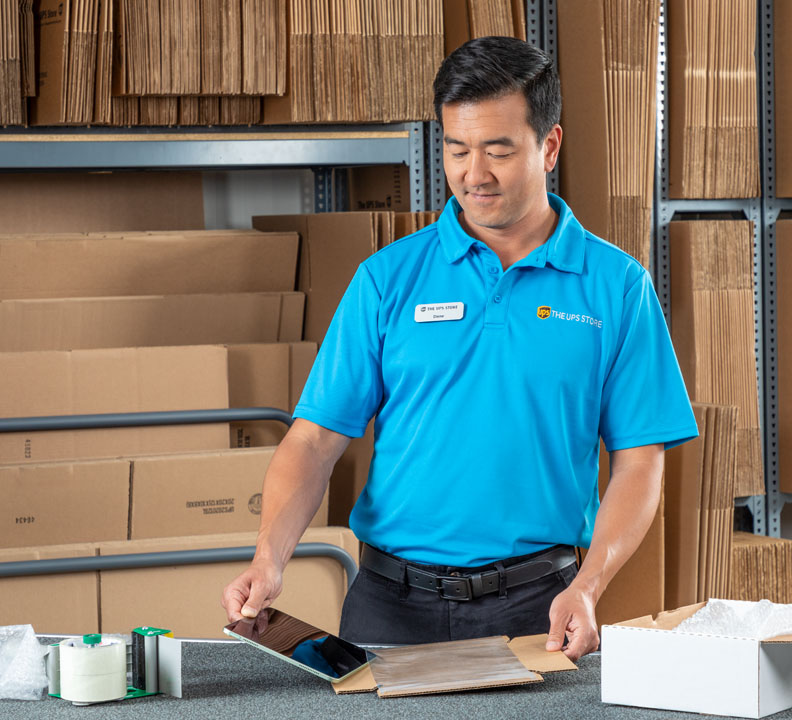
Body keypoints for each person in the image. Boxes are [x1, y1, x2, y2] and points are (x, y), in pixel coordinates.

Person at [222, 36, 698, 661]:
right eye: (457, 149)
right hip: (387, 605)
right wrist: (269, 557)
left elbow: (639, 464)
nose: (474, 174)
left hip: (538, 605)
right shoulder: (387, 278)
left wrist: (589, 586)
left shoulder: (616, 288)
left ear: (549, 146)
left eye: (499, 150)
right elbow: (313, 441)